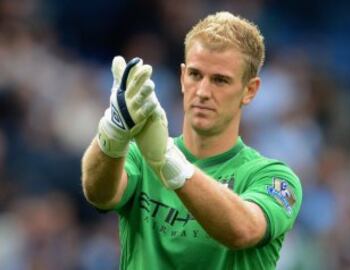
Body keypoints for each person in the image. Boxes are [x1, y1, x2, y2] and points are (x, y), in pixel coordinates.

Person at [81, 11, 302, 270]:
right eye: (196, 75)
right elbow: (99, 194)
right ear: (183, 77)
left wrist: (168, 160)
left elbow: (244, 230)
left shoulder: (274, 178)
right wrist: (113, 132)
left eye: (220, 80)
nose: (204, 91)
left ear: (249, 90)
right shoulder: (140, 157)